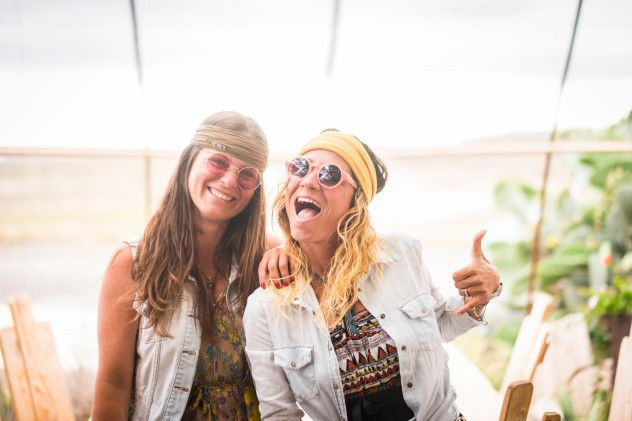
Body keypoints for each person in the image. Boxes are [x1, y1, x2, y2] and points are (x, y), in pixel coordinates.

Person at [244, 129, 502, 421]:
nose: (308, 181)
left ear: (356, 201)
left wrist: (483, 292)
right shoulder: (265, 308)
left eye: (329, 174)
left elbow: (441, 323)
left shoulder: (400, 254)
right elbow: (279, 414)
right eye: (300, 167)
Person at [92, 111, 274, 421]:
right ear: (189, 160)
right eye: (218, 162)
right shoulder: (133, 263)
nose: (230, 181)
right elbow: (113, 384)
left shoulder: (265, 259)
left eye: (247, 174)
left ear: (255, 188)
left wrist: (287, 251)